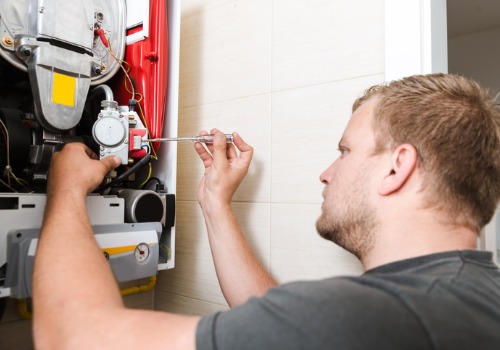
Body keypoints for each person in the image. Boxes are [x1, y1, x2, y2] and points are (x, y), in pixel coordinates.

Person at [32, 73, 500, 349]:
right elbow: (271, 320)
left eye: (344, 151)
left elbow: (70, 336)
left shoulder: (366, 317)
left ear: (397, 166)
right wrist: (215, 202)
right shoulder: (474, 295)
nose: (326, 172)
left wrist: (67, 190)